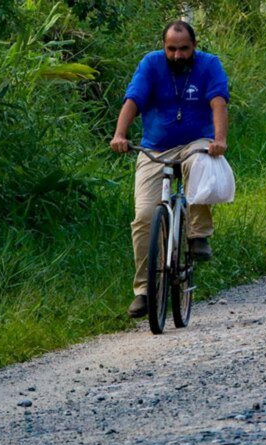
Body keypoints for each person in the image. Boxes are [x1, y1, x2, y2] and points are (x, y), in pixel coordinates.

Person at [110, 19, 230, 318]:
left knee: (203, 162)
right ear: (163, 46)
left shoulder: (209, 65)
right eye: (171, 49)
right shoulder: (150, 64)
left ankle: (198, 233)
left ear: (195, 46)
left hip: (195, 142)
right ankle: (144, 292)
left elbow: (218, 102)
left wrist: (219, 139)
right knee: (144, 217)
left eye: (184, 49)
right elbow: (133, 100)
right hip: (155, 148)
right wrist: (120, 134)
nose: (177, 55)